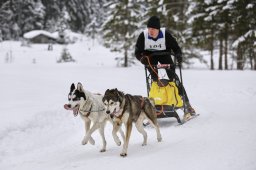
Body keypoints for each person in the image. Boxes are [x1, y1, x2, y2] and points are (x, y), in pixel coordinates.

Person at [135, 16, 196, 119]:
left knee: (174, 80)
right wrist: (142, 59)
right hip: (151, 58)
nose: (151, 31)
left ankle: (187, 105)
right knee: (155, 81)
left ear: (158, 29)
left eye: (153, 29)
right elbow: (137, 52)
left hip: (165, 56)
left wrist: (179, 56)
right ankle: (156, 105)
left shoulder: (166, 35)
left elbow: (176, 48)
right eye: (149, 29)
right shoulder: (143, 36)